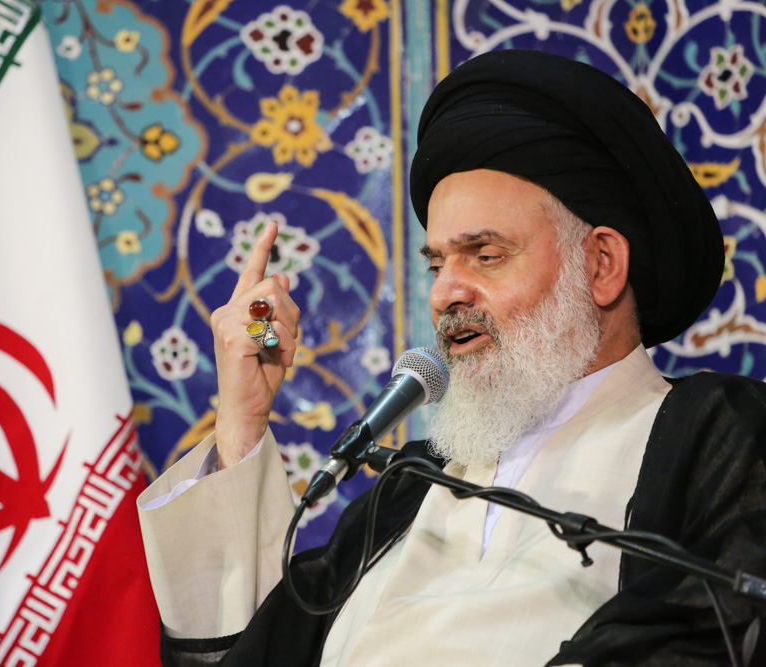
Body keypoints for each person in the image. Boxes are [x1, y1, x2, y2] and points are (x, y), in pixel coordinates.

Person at [137, 50, 766, 666]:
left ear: (600, 266)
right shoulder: (411, 487)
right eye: (437, 264)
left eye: (486, 256)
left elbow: (709, 631)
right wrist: (243, 422)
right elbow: (247, 651)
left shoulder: (715, 434)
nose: (444, 294)